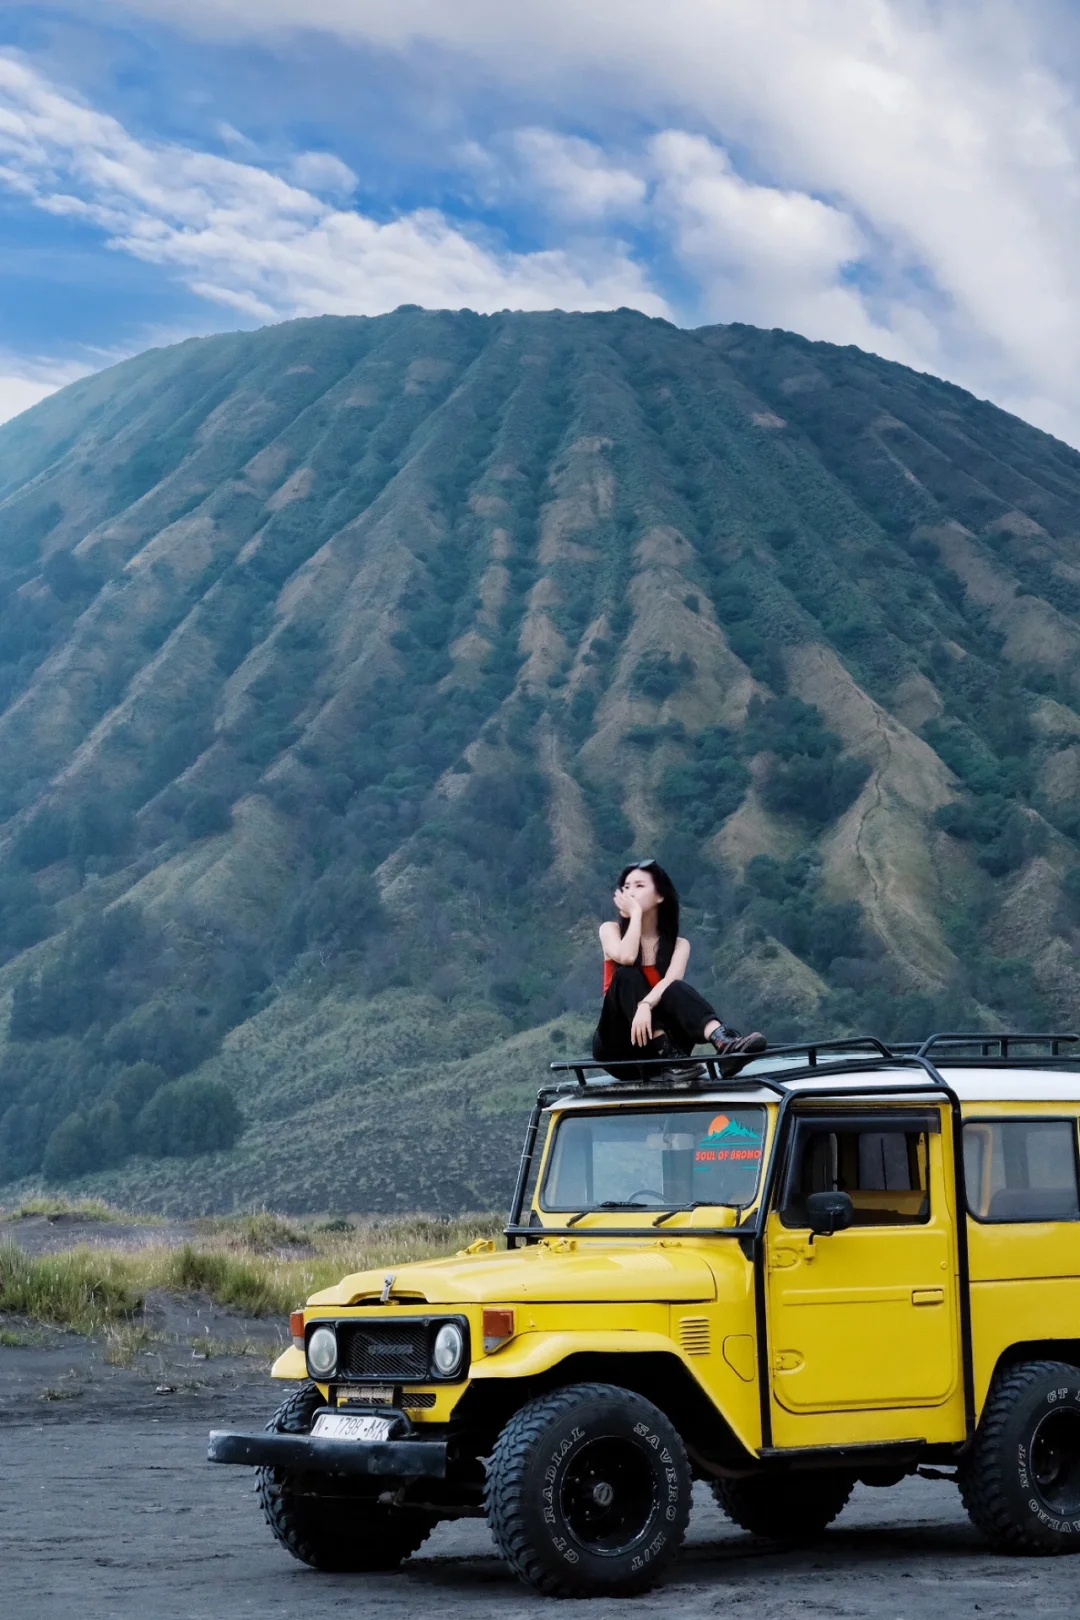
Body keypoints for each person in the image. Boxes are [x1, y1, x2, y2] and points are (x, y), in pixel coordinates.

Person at [593, 859, 766, 1081]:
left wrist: (646, 1005)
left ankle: (724, 1042)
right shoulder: (610, 930)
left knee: (675, 987)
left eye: (639, 885)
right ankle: (666, 1056)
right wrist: (635, 914)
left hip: (672, 1046)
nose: (630, 893)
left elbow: (669, 983)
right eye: (626, 887)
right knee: (627, 974)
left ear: (660, 896)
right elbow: (626, 957)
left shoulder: (678, 945)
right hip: (620, 1048)